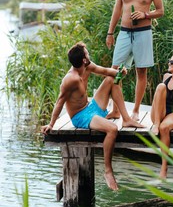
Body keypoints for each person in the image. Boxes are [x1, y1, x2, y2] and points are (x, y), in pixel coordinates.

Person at [41, 42, 144, 191]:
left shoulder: (87, 66)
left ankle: (126, 119)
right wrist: (51, 124)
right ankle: (108, 171)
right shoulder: (70, 79)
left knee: (111, 80)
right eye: (87, 53)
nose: (89, 54)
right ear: (83, 59)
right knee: (112, 129)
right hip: (81, 116)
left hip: (91, 108)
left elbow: (108, 72)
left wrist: (120, 73)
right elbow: (59, 102)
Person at [106, 0, 164, 121]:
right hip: (124, 32)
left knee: (141, 71)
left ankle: (136, 110)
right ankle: (116, 109)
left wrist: (145, 14)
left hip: (143, 32)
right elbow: (117, 9)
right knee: (114, 69)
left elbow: (160, 11)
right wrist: (110, 32)